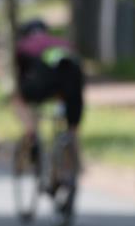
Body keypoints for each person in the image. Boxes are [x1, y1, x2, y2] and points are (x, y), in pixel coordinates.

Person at [12, 18, 85, 162]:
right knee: (71, 111)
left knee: (17, 99)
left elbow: (22, 78)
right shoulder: (62, 42)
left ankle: (31, 132)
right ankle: (73, 149)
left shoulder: (23, 45)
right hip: (72, 75)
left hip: (44, 78)